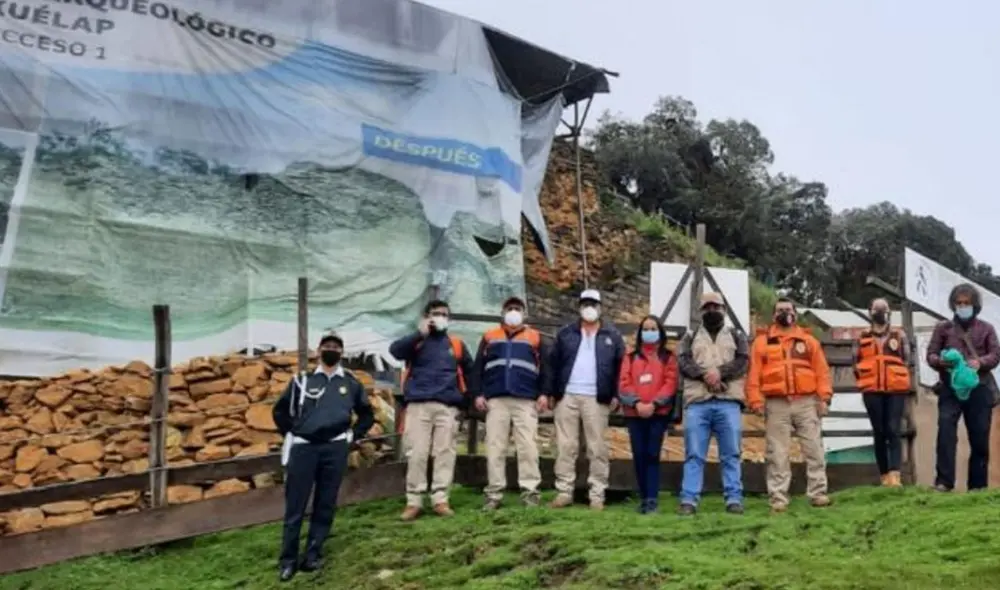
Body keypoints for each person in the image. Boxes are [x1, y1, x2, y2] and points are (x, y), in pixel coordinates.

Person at [272, 331, 374, 582]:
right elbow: (280, 411)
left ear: (342, 353)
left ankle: (313, 555)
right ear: (318, 351)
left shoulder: (350, 383)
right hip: (304, 448)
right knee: (296, 505)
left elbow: (366, 414)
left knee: (325, 503)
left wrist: (354, 435)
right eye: (327, 346)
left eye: (337, 347)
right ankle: (287, 560)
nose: (332, 350)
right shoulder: (301, 381)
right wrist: (295, 433)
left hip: (335, 449)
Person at [389, 299, 474, 520]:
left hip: (447, 406)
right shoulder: (416, 343)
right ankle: (414, 500)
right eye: (436, 313)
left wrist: (466, 403)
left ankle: (440, 498)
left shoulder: (456, 345)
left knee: (445, 452)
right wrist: (420, 334)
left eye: (444, 314)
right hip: (418, 404)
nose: (440, 317)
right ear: (427, 316)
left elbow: (471, 374)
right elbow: (395, 351)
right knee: (416, 452)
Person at [746, 298, 833, 513]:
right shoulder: (762, 342)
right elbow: (754, 374)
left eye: (788, 309)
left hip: (806, 402)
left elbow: (822, 371)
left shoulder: (809, 341)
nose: (785, 313)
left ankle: (818, 492)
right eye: (780, 310)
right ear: (773, 315)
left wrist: (824, 397)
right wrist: (755, 400)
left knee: (814, 449)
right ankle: (778, 497)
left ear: (795, 313)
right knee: (777, 452)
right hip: (776, 404)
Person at [547, 289, 626, 510]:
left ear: (600, 308)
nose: (589, 308)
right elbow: (553, 364)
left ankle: (597, 494)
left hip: (597, 397)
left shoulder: (612, 336)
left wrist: (616, 394)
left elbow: (621, 368)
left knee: (597, 447)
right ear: (579, 307)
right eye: (585, 303)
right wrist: (553, 392)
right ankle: (564, 491)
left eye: (593, 303)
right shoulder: (566, 334)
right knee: (565, 446)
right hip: (568, 395)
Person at [472, 296, 549, 510]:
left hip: (526, 399)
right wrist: (478, 393)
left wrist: (544, 393)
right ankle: (494, 494)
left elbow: (545, 368)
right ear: (503, 312)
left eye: (517, 308)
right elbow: (478, 367)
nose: (513, 311)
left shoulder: (535, 337)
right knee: (495, 447)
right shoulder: (489, 336)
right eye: (510, 308)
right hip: (496, 399)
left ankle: (530, 493)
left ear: (524, 313)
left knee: (528, 448)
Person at [676, 293, 750, 515]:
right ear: (700, 311)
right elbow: (683, 362)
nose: (711, 311)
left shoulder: (737, 335)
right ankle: (689, 499)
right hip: (698, 402)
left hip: (728, 402)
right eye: (707, 307)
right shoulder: (689, 336)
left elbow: (743, 361)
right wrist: (705, 376)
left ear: (724, 309)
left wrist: (720, 374)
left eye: (716, 307)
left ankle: (733, 498)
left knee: (731, 453)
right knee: (694, 454)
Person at [926, 283, 1000, 492]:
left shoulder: (986, 329)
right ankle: (944, 482)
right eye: (958, 303)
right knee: (946, 433)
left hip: (979, 388)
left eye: (966, 303)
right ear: (953, 305)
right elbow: (930, 354)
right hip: (950, 388)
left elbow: (995, 354)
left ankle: (977, 486)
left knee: (979, 438)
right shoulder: (944, 329)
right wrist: (941, 361)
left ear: (975, 305)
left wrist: (980, 362)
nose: (962, 306)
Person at [617, 315, 679, 514]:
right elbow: (623, 383)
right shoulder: (630, 357)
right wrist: (636, 403)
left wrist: (654, 403)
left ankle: (652, 499)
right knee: (639, 455)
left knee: (652, 454)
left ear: (660, 331)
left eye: (653, 328)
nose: (649, 332)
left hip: (658, 414)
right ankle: (643, 498)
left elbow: (670, 383)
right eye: (646, 328)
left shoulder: (668, 357)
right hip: (634, 414)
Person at [853, 298, 911, 488]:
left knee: (893, 429)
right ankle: (884, 474)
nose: (880, 312)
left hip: (896, 389)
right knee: (879, 431)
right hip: (871, 389)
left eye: (883, 309)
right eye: (876, 309)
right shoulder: (861, 336)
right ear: (870, 311)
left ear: (889, 312)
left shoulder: (899, 334)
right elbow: (855, 361)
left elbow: (906, 359)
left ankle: (895, 474)